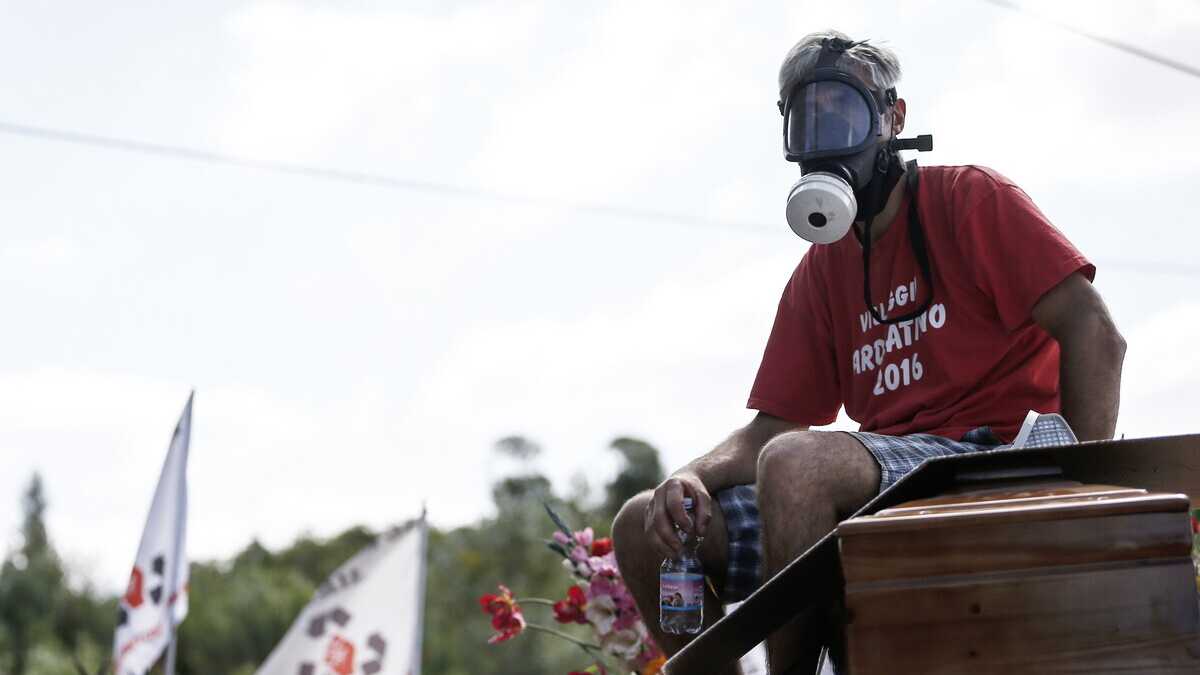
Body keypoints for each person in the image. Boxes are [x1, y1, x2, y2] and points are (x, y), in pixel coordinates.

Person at [611, 29, 1126, 674]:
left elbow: (1095, 332)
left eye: (844, 115)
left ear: (893, 119)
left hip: (990, 464)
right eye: (809, 123)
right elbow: (771, 427)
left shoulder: (969, 198)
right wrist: (688, 477)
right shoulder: (822, 268)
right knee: (644, 523)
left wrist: (1078, 496)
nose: (826, 142)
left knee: (796, 466)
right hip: (882, 480)